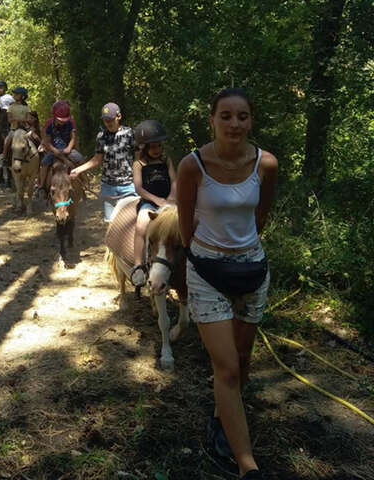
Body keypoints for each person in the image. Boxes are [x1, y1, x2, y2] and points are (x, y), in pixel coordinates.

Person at [176, 87, 278, 480]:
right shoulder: (193, 165)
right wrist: (201, 257)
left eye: (242, 116)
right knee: (228, 368)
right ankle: (247, 465)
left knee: (243, 360)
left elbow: (260, 215)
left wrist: (243, 250)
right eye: (226, 116)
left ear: (251, 120)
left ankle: (221, 418)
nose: (234, 124)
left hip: (252, 269)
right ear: (212, 120)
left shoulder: (266, 163)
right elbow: (185, 221)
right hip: (206, 270)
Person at [70, 103, 137, 222]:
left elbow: (139, 158)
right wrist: (78, 170)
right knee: (111, 225)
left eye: (110, 119)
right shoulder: (101, 136)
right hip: (108, 187)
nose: (108, 122)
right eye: (105, 120)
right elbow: (97, 159)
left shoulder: (130, 134)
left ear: (119, 116)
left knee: (130, 223)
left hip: (129, 186)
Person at [130, 120, 176, 287]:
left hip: (169, 201)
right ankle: (137, 265)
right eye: (152, 147)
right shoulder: (139, 164)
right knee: (142, 224)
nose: (156, 150)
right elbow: (139, 188)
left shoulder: (166, 160)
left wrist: (171, 197)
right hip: (149, 202)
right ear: (144, 148)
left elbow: (174, 181)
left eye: (159, 146)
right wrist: (156, 200)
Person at [39, 101, 84, 192]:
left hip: (67, 149)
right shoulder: (49, 124)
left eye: (64, 120)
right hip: (53, 150)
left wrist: (69, 148)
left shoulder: (71, 123)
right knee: (44, 163)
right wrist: (54, 150)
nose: (63, 122)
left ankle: (83, 182)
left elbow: (73, 138)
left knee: (80, 159)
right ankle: (41, 185)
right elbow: (47, 141)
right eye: (60, 120)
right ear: (54, 116)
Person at [2, 86, 30, 163]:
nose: (14, 96)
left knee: (36, 138)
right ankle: (4, 158)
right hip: (14, 129)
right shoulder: (10, 107)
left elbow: (28, 119)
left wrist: (19, 120)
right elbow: (9, 120)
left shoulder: (26, 107)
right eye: (14, 94)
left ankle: (40, 154)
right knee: (7, 141)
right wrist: (18, 120)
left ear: (22, 96)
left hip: (25, 129)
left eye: (16, 94)